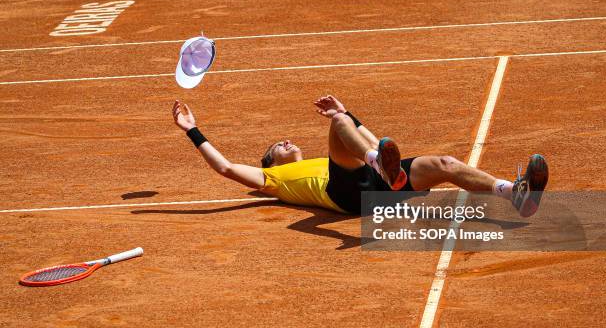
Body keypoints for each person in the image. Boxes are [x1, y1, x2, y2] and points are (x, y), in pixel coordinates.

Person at [172, 95, 548, 217]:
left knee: (445, 164)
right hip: (347, 195)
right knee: (337, 124)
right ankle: (382, 171)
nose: (283, 142)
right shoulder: (267, 180)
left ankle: (513, 194)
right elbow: (223, 167)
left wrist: (350, 112)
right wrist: (192, 129)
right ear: (269, 163)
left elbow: (377, 140)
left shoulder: (332, 156)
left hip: (376, 178)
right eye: (275, 148)